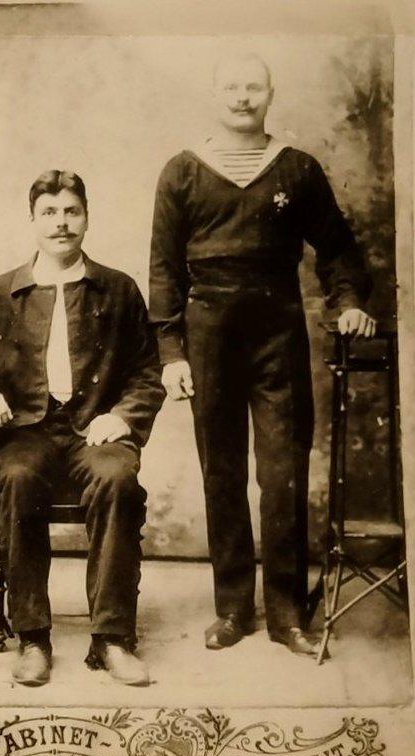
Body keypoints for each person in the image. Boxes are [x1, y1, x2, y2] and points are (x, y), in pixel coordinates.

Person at [148, 53, 376, 658]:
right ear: (213, 94)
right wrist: (171, 352)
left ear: (271, 94)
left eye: (254, 86)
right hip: (208, 332)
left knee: (282, 472)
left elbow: (339, 250)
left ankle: (286, 612)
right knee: (221, 471)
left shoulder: (297, 169)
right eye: (231, 85)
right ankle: (231, 608)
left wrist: (349, 301)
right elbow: (164, 270)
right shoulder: (182, 171)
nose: (242, 96)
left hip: (278, 328)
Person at [0, 169, 164, 686]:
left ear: (86, 218)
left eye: (71, 211)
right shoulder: (0, 293)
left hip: (95, 431)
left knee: (117, 480)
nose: (61, 223)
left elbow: (147, 373)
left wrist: (121, 416)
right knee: (15, 479)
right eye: (50, 212)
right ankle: (33, 638)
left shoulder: (118, 289)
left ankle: (112, 639)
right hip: (26, 432)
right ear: (33, 220)